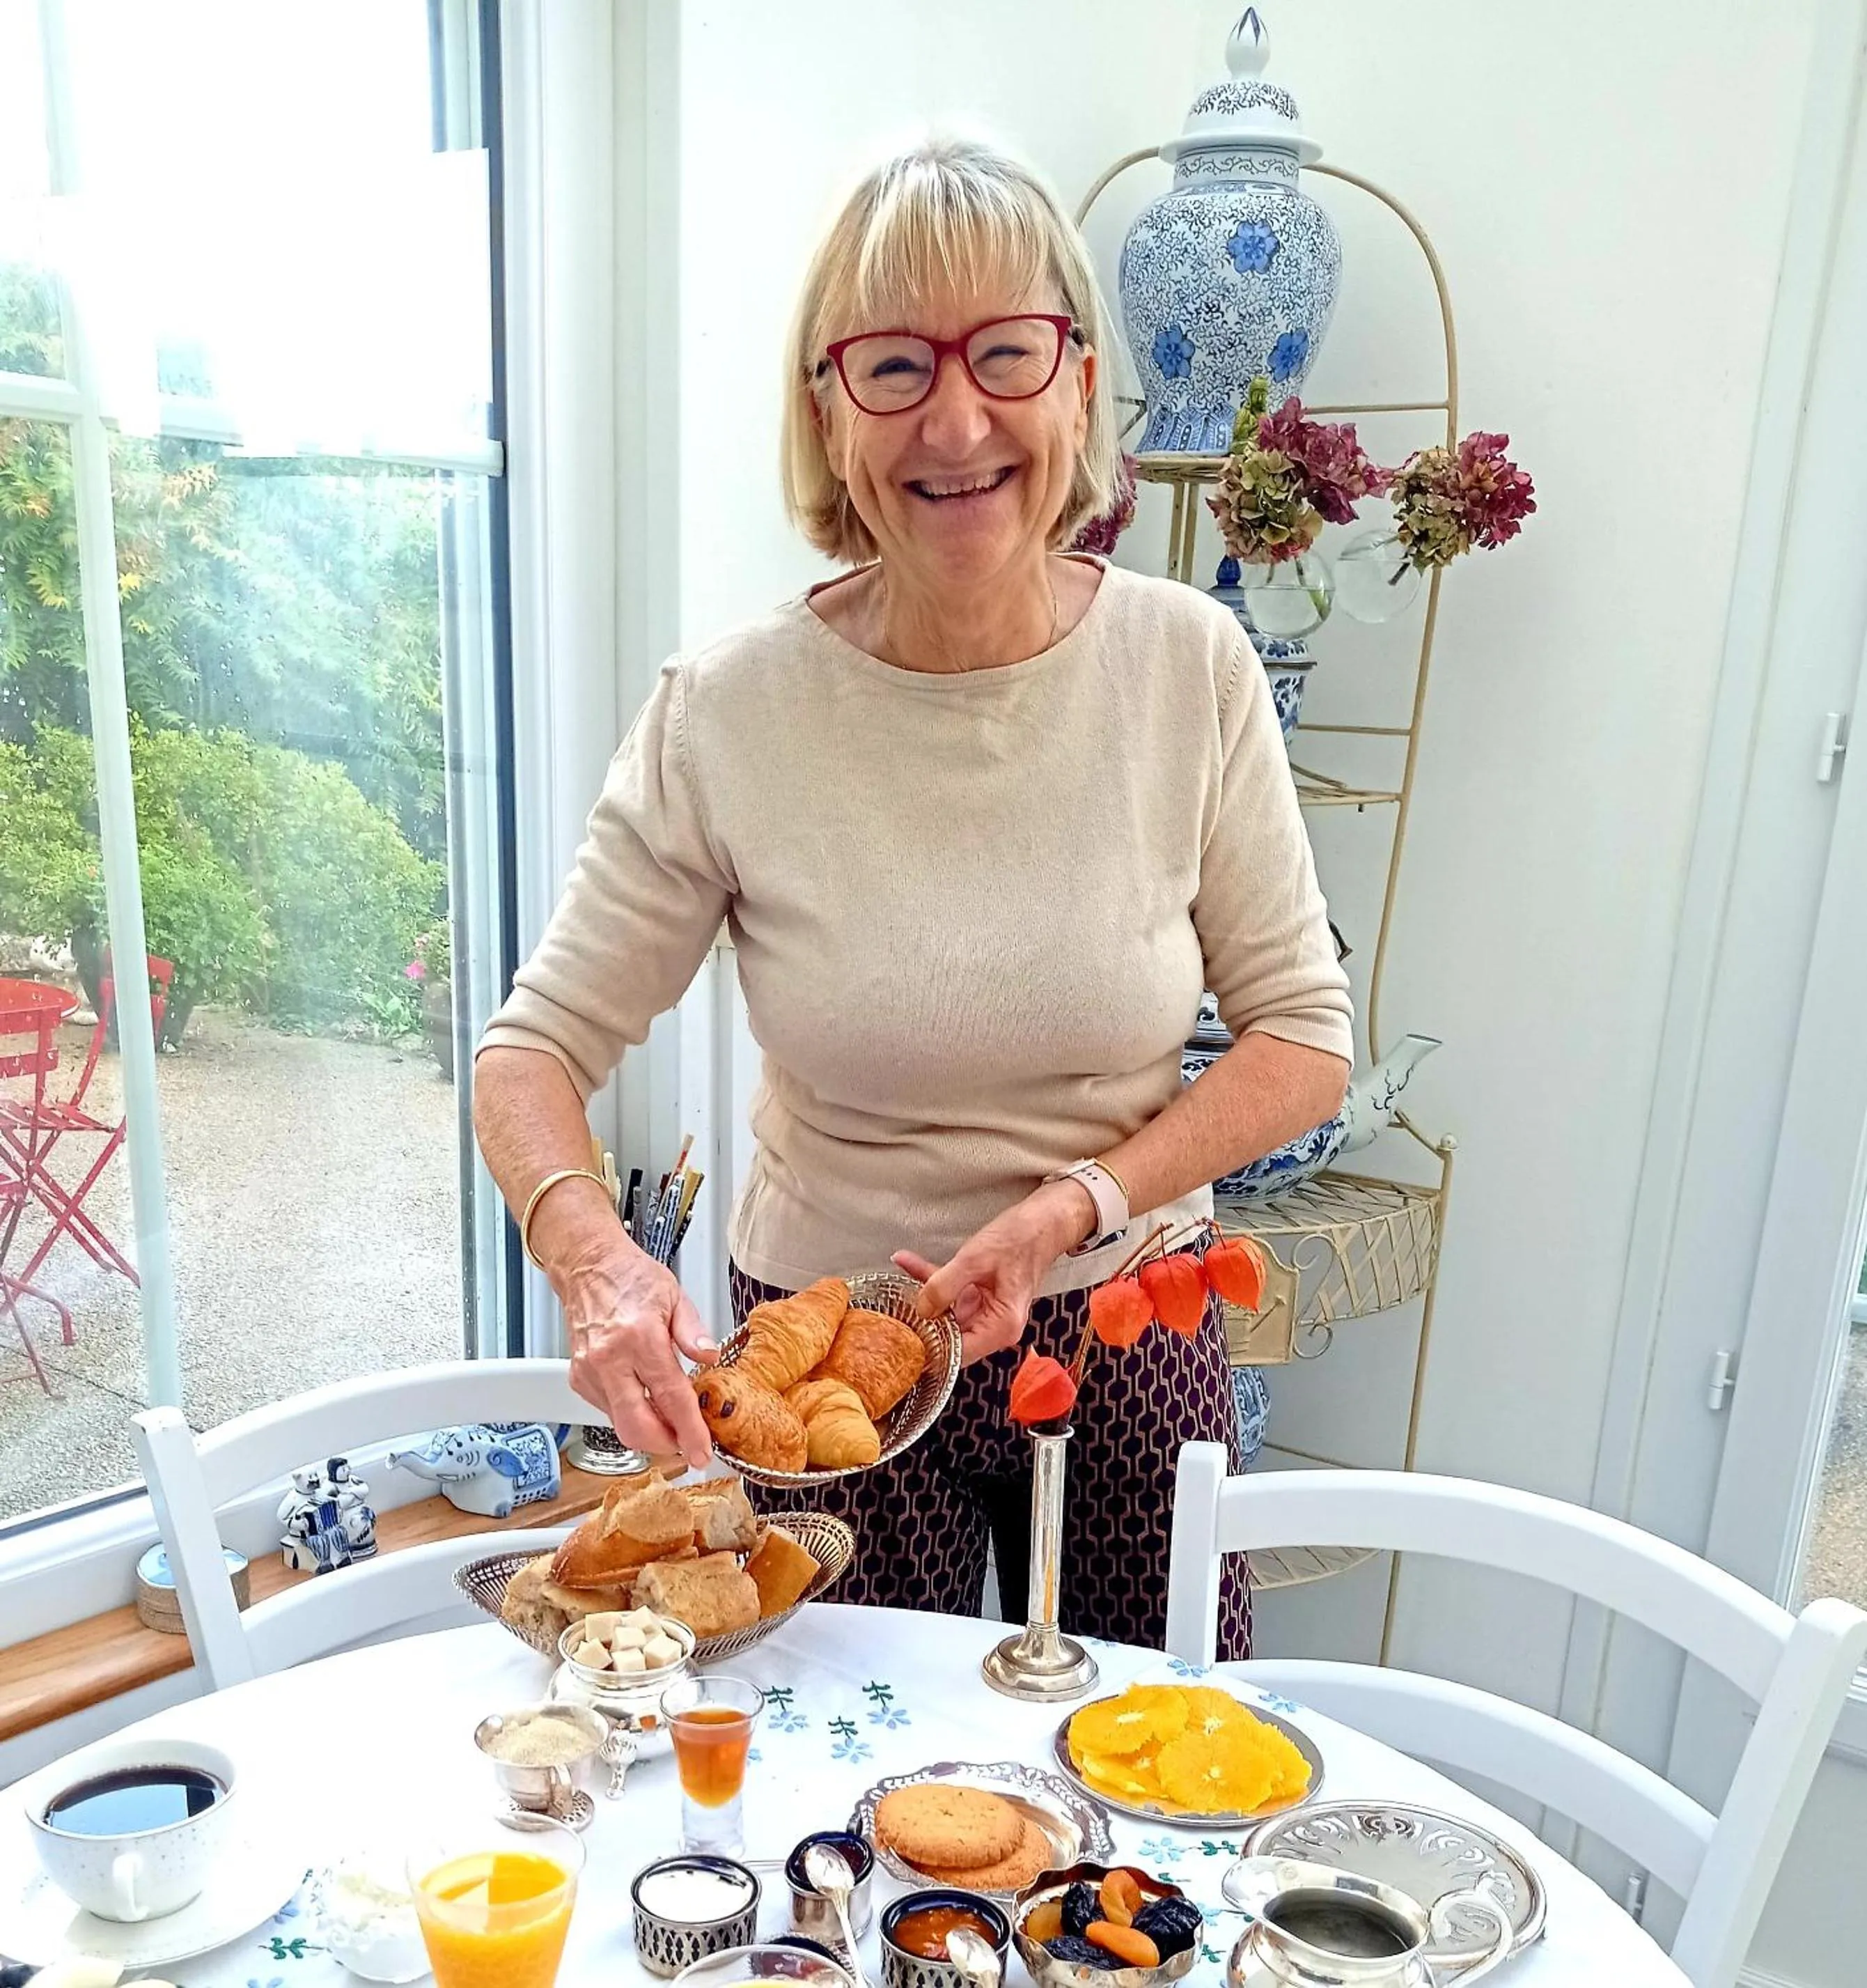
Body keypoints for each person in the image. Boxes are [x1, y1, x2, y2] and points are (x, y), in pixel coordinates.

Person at [473, 138, 1351, 1655]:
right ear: (828, 412)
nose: (955, 420)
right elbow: (529, 1051)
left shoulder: (1190, 669)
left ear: (1080, 384)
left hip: (1125, 1310)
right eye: (892, 366)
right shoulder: (728, 711)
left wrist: (1076, 1203)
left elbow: (1303, 1040)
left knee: (1153, 1737)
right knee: (848, 1755)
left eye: (1006, 352)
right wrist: (596, 1261)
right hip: (829, 1352)